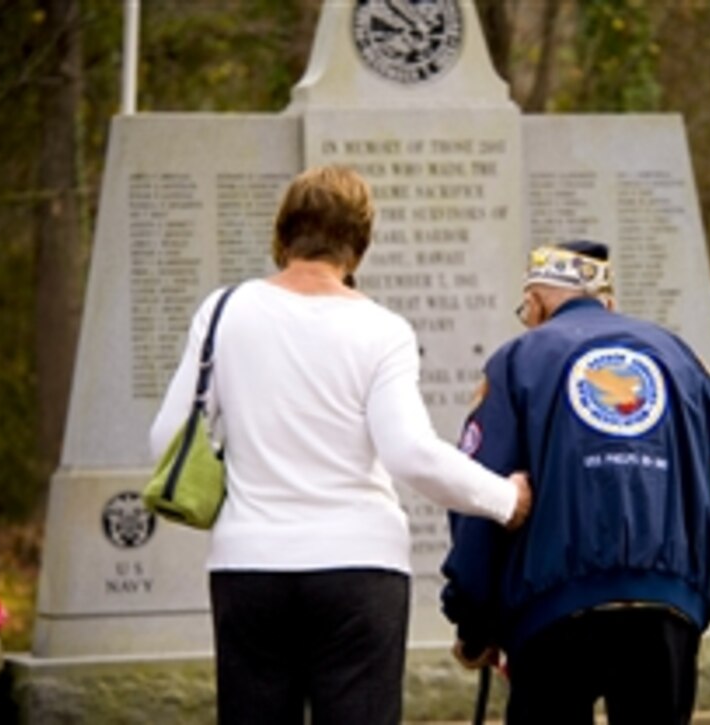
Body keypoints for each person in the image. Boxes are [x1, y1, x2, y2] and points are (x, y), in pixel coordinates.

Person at [149, 165, 531, 725]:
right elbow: (408, 453)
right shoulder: (382, 329)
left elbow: (166, 437)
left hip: (249, 563)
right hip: (358, 569)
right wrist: (505, 499)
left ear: (282, 235)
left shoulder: (222, 312)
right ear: (359, 245)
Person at [441, 240, 710, 724]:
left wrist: (474, 619)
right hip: (664, 605)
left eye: (525, 310)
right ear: (607, 301)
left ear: (539, 301)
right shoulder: (679, 359)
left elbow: (478, 490)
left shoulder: (517, 361)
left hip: (551, 610)